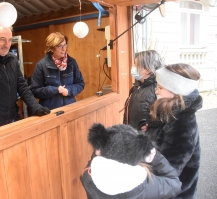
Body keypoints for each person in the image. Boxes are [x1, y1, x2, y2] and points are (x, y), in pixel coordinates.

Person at [0, 24, 50, 134]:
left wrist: (36, 107)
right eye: (2, 40)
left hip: (13, 118)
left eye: (10, 40)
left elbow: (22, 86)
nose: (7, 45)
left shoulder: (12, 59)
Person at [143, 63, 202, 199]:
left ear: (175, 92)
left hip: (172, 193)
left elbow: (169, 170)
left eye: (160, 87)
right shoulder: (169, 111)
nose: (156, 91)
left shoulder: (182, 123)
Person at [80, 123, 182, 199]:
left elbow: (94, 162)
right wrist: (154, 155)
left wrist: (99, 151)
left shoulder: (88, 176)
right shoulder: (145, 185)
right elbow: (175, 183)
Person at [30, 32, 85, 110]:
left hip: (70, 108)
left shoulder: (72, 62)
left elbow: (80, 84)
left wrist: (68, 90)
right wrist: (55, 90)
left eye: (65, 45)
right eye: (60, 46)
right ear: (51, 48)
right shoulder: (41, 65)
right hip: (50, 111)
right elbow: (35, 90)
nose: (64, 49)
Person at [123, 50, 163, 129]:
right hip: (131, 136)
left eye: (136, 64)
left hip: (144, 140)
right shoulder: (136, 87)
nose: (133, 66)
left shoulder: (157, 92)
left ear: (148, 70)